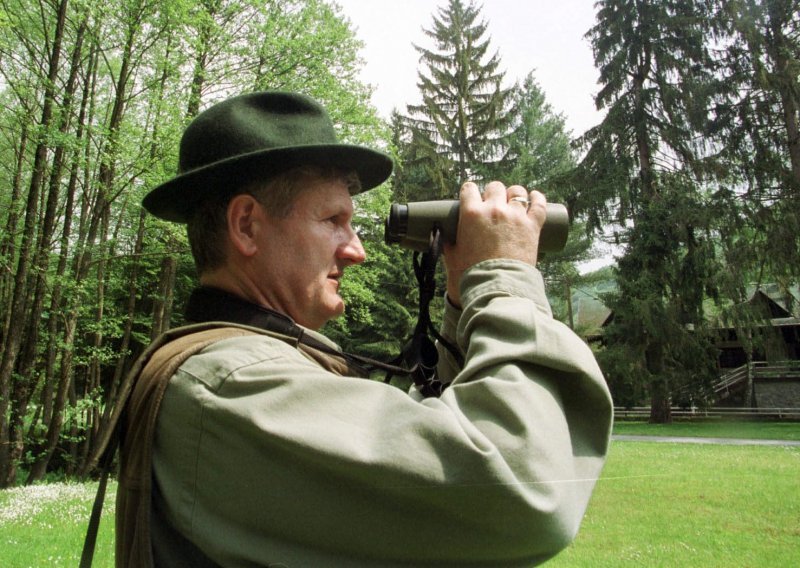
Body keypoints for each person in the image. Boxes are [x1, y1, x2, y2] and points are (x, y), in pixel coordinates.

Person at [122, 90, 613, 567]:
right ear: (247, 225)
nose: (356, 250)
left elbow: (415, 444)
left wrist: (463, 305)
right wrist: (505, 279)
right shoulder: (231, 387)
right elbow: (522, 490)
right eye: (334, 219)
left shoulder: (251, 370)